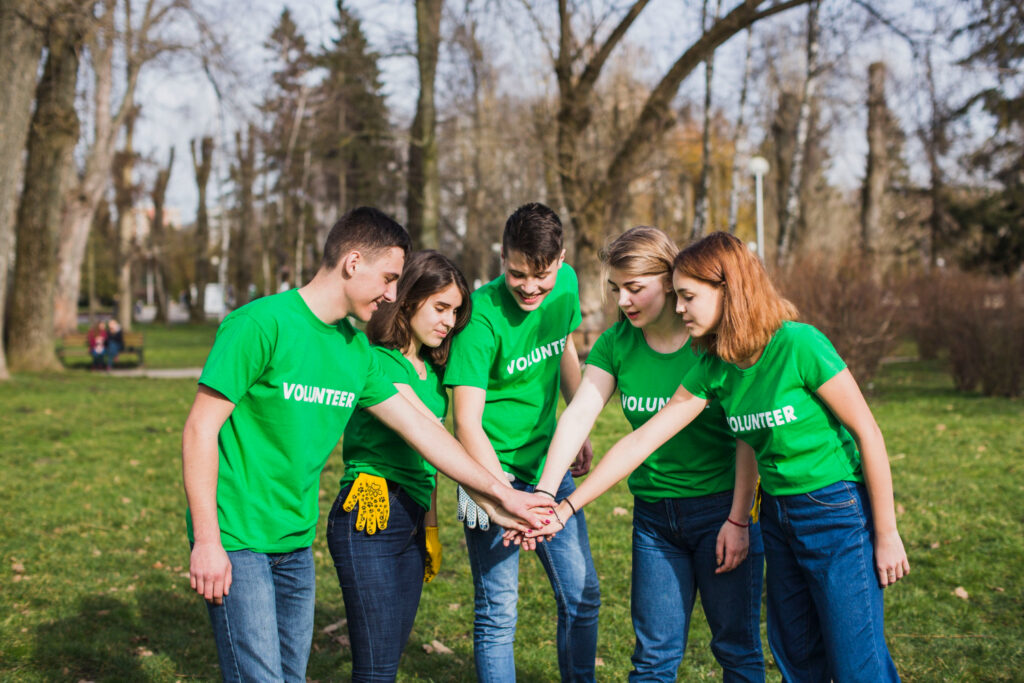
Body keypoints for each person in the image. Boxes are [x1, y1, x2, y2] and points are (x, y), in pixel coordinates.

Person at [182, 207, 552, 683]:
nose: (393, 294)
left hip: (295, 541)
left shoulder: (356, 353)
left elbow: (427, 432)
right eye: (389, 277)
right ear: (353, 262)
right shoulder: (259, 324)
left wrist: (502, 497)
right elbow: (199, 429)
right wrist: (208, 541)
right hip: (236, 540)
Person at [526, 231, 910, 682]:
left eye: (687, 296)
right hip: (770, 517)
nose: (679, 307)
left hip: (829, 510)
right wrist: (561, 503)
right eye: (617, 289)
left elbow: (867, 431)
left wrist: (885, 532)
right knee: (797, 660)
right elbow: (647, 440)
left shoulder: (791, 345)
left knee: (853, 664)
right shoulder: (715, 362)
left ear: (722, 288)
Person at [522, 226, 764, 681]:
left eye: (634, 288)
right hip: (655, 520)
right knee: (652, 659)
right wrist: (544, 494)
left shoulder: (711, 341)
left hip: (720, 512)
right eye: (616, 290)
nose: (624, 301)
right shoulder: (617, 343)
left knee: (736, 649)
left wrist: (739, 518)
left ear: (670, 280)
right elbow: (578, 415)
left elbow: (748, 434)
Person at [444, 202, 600, 682]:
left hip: (549, 466)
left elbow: (564, 349)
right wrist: (501, 494)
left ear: (561, 260)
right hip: (493, 474)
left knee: (582, 596)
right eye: (516, 275)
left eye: (542, 276)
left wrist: (578, 423)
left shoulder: (568, 285)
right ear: (502, 258)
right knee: (499, 611)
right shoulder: (480, 319)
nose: (530, 288)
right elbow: (466, 423)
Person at [326, 250, 472, 680]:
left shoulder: (433, 374)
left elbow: (429, 460)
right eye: (440, 307)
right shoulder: (376, 360)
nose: (448, 321)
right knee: (376, 667)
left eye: (455, 312)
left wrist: (429, 526)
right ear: (407, 301)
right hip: (370, 508)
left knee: (387, 660)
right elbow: (428, 435)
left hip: (410, 517)